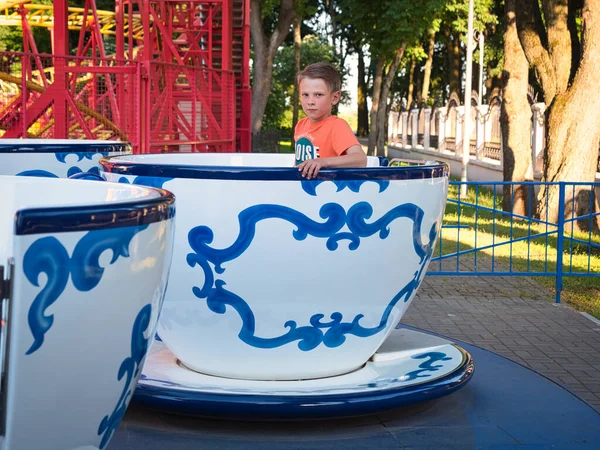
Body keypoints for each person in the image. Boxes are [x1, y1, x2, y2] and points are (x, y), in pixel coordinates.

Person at [294, 62, 367, 179]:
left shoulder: (337, 126)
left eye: (318, 95)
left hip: (328, 191)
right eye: (305, 95)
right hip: (304, 191)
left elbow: (360, 159)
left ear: (334, 98)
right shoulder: (300, 125)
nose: (310, 101)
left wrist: (322, 162)